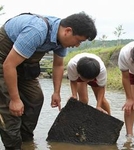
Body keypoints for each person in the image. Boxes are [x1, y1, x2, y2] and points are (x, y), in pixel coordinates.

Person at [0, 12, 97, 150]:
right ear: (68, 31)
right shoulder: (36, 31)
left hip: (24, 63)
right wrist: (15, 100)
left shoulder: (61, 40)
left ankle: (27, 142)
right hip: (4, 59)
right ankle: (13, 145)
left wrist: (56, 92)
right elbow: (9, 65)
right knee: (8, 106)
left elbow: (58, 65)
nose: (77, 45)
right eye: (79, 41)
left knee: (35, 99)